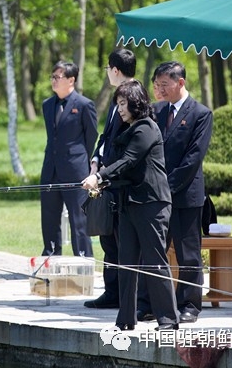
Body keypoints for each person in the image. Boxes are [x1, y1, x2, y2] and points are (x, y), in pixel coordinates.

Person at [81, 80, 179, 331]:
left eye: (123, 104)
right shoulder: (126, 130)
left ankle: (168, 319)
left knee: (155, 261)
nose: (120, 109)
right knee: (125, 263)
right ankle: (125, 319)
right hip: (128, 204)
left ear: (136, 102)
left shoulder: (146, 128)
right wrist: (101, 177)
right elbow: (118, 163)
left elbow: (128, 160)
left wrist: (99, 177)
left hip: (151, 205)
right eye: (118, 104)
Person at [138, 61, 213, 324]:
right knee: (154, 251)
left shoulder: (201, 114)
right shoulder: (155, 111)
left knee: (188, 253)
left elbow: (193, 158)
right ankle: (148, 304)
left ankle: (190, 304)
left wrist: (167, 187)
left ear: (180, 83)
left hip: (185, 196)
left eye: (164, 85)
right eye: (156, 85)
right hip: (156, 197)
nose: (159, 90)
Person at [84, 48, 136, 310]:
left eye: (107, 69)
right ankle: (112, 291)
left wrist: (105, 171)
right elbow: (105, 138)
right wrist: (95, 160)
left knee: (121, 240)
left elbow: (126, 145)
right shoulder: (117, 101)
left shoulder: (133, 98)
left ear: (115, 70)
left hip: (121, 182)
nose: (107, 74)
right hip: (106, 179)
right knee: (108, 239)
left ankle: (126, 295)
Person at [39, 61, 98, 257]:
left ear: (71, 80)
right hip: (51, 170)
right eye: (52, 77)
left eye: (58, 77)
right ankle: (50, 257)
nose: (54, 81)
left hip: (75, 170)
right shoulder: (48, 105)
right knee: (49, 217)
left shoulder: (84, 105)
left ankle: (83, 258)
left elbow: (91, 136)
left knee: (78, 219)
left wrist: (82, 160)